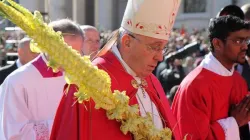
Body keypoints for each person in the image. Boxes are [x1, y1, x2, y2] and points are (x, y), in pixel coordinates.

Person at [50, 0, 181, 139]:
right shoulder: (87, 83)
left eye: (163, 48)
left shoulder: (151, 80)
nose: (160, 57)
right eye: (154, 47)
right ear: (127, 42)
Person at [0, 19, 84, 140]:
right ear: (47, 46)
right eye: (66, 52)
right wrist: (66, 125)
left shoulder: (79, 76)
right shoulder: (17, 81)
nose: (71, 59)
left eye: (76, 53)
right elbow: (13, 133)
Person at [172, 16, 250, 140]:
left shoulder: (238, 81)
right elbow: (191, 136)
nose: (245, 47)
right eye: (238, 41)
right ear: (217, 43)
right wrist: (234, 122)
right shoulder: (194, 85)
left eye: (247, 41)